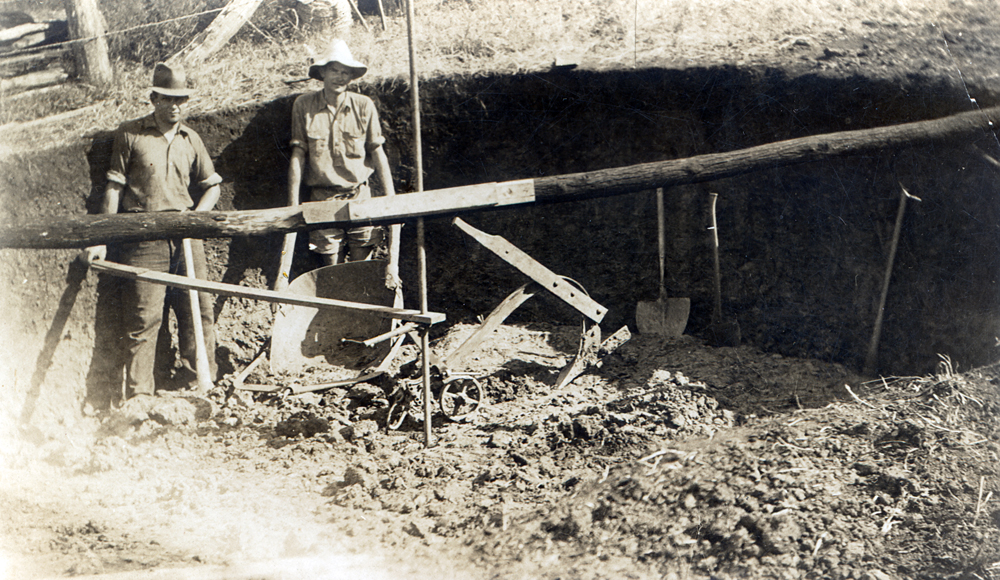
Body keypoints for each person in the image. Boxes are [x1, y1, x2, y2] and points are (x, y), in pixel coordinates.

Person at [83, 63, 222, 404]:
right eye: (167, 99)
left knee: (198, 312)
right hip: (143, 240)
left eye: (181, 100)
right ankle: (139, 398)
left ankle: (199, 388)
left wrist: (196, 218)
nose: (175, 106)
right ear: (154, 99)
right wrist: (102, 237)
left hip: (188, 239)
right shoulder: (131, 134)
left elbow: (212, 187)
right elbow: (113, 189)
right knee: (144, 318)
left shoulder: (192, 139)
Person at [287, 38, 400, 286]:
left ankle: (360, 318)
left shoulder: (363, 106)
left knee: (362, 265)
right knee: (331, 270)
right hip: (322, 199)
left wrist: (392, 198)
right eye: (335, 70)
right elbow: (298, 155)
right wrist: (292, 204)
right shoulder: (304, 106)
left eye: (346, 72)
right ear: (323, 72)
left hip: (359, 196)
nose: (340, 77)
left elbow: (377, 152)